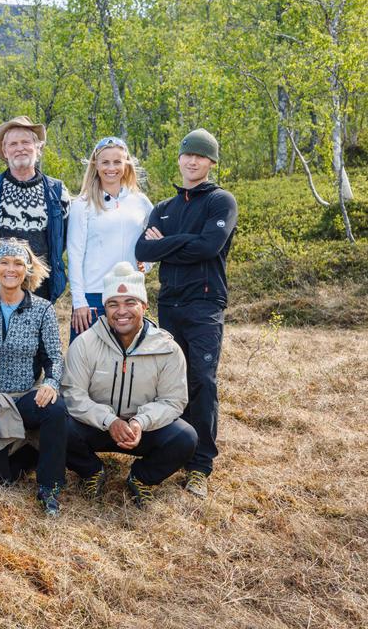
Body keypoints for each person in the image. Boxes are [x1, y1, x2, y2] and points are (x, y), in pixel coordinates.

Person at [135, 129, 237, 499]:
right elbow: (142, 249)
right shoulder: (164, 208)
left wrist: (166, 244)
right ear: (179, 159)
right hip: (170, 304)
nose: (192, 161)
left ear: (211, 163)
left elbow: (211, 245)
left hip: (205, 304)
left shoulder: (220, 201)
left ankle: (201, 465)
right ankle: (176, 448)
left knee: (202, 380)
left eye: (201, 156)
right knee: (172, 381)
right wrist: (173, 246)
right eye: (187, 155)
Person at [63, 262, 198, 507]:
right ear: (104, 308)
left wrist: (140, 422)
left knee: (185, 437)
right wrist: (109, 421)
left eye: (130, 303)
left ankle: (142, 477)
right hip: (97, 426)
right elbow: (73, 395)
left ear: (144, 306)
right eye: (113, 304)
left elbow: (173, 400)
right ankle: (91, 471)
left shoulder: (167, 348)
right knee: (55, 425)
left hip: (143, 430)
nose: (121, 311)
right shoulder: (85, 344)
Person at [0, 239, 68, 516]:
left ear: (28, 269)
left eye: (17, 263)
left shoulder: (43, 309)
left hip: (24, 398)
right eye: (4, 262)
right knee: (1, 476)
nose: (10, 269)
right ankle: (21, 452)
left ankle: (49, 487)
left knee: (55, 408)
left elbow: (54, 357)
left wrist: (50, 383)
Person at [0, 116, 70, 301]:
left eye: (26, 142)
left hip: (42, 288)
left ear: (38, 148)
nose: (20, 148)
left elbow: (61, 239)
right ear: (5, 151)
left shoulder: (57, 191)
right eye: (13, 144)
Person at [67, 136, 153, 342]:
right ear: (96, 165)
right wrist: (79, 301)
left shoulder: (140, 201)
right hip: (94, 296)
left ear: (126, 164)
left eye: (117, 162)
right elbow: (75, 255)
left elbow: (156, 239)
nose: (111, 168)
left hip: (130, 292)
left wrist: (147, 265)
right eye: (105, 162)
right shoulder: (82, 204)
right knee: (87, 363)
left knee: (128, 360)